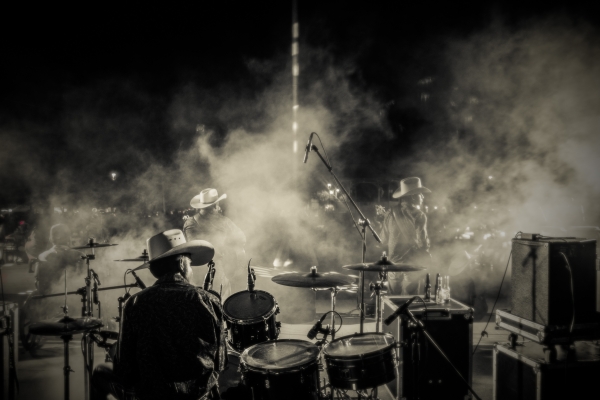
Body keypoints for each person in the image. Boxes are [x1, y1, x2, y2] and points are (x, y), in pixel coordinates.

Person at [92, 229, 226, 400]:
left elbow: (125, 371)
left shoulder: (135, 303)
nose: (191, 269)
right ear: (182, 264)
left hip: (151, 396)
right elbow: (221, 362)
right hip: (199, 396)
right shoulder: (209, 300)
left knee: (100, 374)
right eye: (190, 263)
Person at [183, 188, 246, 298]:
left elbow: (192, 245)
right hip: (218, 271)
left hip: (194, 272)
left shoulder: (190, 222)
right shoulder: (224, 222)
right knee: (220, 302)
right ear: (216, 204)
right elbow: (242, 239)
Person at [379, 177, 432, 294]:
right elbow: (422, 243)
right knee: (409, 300)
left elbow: (383, 240)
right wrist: (427, 255)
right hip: (411, 264)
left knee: (393, 300)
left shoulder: (390, 213)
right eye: (420, 194)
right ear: (413, 196)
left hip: (393, 264)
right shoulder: (419, 215)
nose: (423, 197)